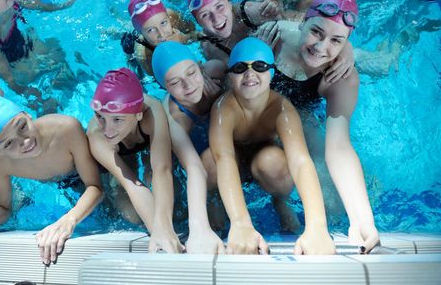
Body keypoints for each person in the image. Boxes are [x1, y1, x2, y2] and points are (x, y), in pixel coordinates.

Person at [258, 0, 380, 253]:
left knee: (333, 207)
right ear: (302, 22)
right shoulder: (275, 36)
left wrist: (362, 219)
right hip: (260, 113)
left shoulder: (341, 77)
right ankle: (280, 201)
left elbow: (339, 146)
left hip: (301, 115)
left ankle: (387, 54)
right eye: (316, 32)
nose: (321, 47)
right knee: (270, 168)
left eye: (336, 41)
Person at [209, 37, 335, 255]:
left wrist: (317, 226)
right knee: (207, 163)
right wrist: (241, 223)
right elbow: (224, 159)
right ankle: (216, 200)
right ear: (230, 75)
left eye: (259, 66)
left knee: (273, 163)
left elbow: (300, 161)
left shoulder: (282, 109)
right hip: (235, 160)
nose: (250, 75)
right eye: (240, 68)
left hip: (265, 157)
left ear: (272, 73)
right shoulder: (224, 108)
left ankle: (280, 200)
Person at [0, 93, 103, 265]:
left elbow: (95, 185)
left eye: (22, 126)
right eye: (8, 144)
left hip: (78, 172)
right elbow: (3, 207)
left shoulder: (66, 128)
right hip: (52, 181)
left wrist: (68, 220)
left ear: (27, 114)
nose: (25, 141)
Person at [86, 68, 183, 254]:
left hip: (143, 136)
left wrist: (164, 226)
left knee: (173, 196)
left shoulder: (150, 112)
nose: (107, 129)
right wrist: (158, 232)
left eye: (117, 119)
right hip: (119, 151)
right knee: (130, 215)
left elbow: (161, 169)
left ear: (137, 114)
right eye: (100, 117)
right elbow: (131, 184)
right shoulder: (97, 134)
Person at [187, 0, 351, 82]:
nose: (217, 19)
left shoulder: (248, 12)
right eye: (205, 15)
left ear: (229, 4)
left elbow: (308, 23)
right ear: (198, 22)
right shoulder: (209, 47)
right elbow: (236, 81)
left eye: (220, 7)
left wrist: (345, 47)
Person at [151, 41, 225, 254]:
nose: (188, 85)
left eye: (192, 73)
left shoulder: (217, 70)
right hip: (194, 148)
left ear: (200, 66)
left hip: (222, 136)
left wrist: (220, 98)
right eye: (175, 82)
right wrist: (198, 228)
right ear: (164, 87)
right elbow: (193, 167)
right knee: (209, 161)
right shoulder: (175, 117)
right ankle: (213, 197)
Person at [124, 0, 197, 78]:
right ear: (141, 33)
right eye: (150, 30)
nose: (161, 34)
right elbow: (164, 81)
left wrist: (185, 38)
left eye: (163, 23)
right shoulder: (144, 55)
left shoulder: (172, 16)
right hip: (133, 43)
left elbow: (196, 33)